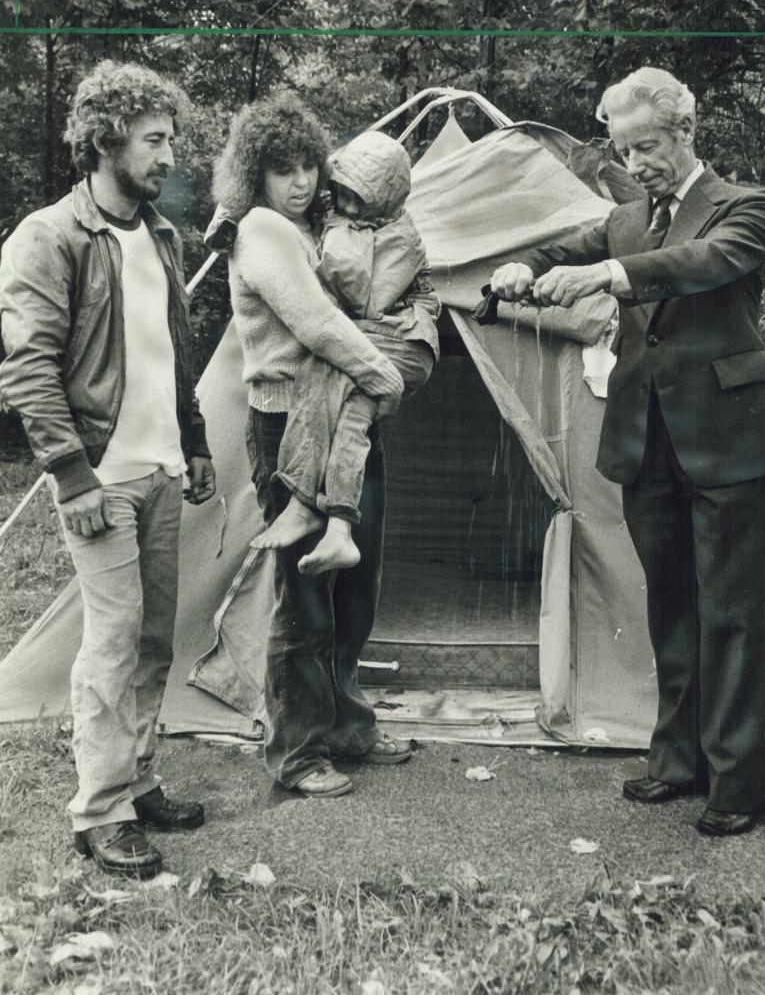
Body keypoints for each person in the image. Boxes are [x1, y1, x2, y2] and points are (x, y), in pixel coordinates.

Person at [491, 66, 765, 836]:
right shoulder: (627, 217)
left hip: (729, 440)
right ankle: (677, 761)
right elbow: (566, 243)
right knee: (671, 604)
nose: (638, 164)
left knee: (730, 611)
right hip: (645, 441)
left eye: (651, 146)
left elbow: (704, 265)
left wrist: (608, 274)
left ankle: (738, 785)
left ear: (687, 130)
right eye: (625, 150)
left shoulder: (746, 207)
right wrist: (521, 267)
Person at [0, 60, 216, 878]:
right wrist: (71, 474)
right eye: (155, 140)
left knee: (156, 639)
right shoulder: (49, 236)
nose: (168, 156)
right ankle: (99, 813)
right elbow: (27, 367)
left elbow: (172, 354)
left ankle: (138, 777)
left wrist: (193, 441)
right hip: (101, 478)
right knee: (114, 640)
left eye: (171, 139)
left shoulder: (159, 233)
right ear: (106, 139)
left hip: (161, 468)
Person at [206, 94, 419, 799]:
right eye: (281, 169)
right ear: (254, 176)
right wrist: (385, 371)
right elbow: (318, 323)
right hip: (287, 425)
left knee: (357, 581)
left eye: (308, 167)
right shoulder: (263, 230)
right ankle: (295, 752)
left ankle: (348, 727)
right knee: (304, 597)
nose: (298, 181)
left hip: (344, 422)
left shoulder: (318, 226)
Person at [253, 129, 439, 576]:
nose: (345, 204)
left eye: (358, 196)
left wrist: (341, 241)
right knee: (353, 415)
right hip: (374, 340)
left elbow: (362, 300)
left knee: (321, 368)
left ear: (382, 196)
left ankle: (303, 503)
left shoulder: (400, 236)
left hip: (404, 342)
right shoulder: (341, 215)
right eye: (341, 192)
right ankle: (338, 527)